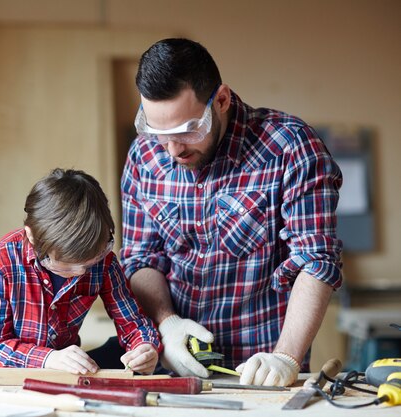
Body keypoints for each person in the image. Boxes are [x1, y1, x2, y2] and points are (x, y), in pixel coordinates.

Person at [120, 38, 343, 387]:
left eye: (187, 130)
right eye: (159, 133)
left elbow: (316, 260)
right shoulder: (144, 157)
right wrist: (166, 324)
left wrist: (285, 357)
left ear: (221, 100)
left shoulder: (290, 148)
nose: (173, 149)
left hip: (262, 371)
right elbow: (140, 258)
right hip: (176, 368)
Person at [0, 168, 160, 376]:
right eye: (67, 265)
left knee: (116, 351)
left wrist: (144, 347)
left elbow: (133, 322)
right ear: (32, 237)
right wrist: (48, 357)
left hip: (55, 371)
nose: (81, 272)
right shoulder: (2, 260)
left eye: (89, 263)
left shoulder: (103, 261)